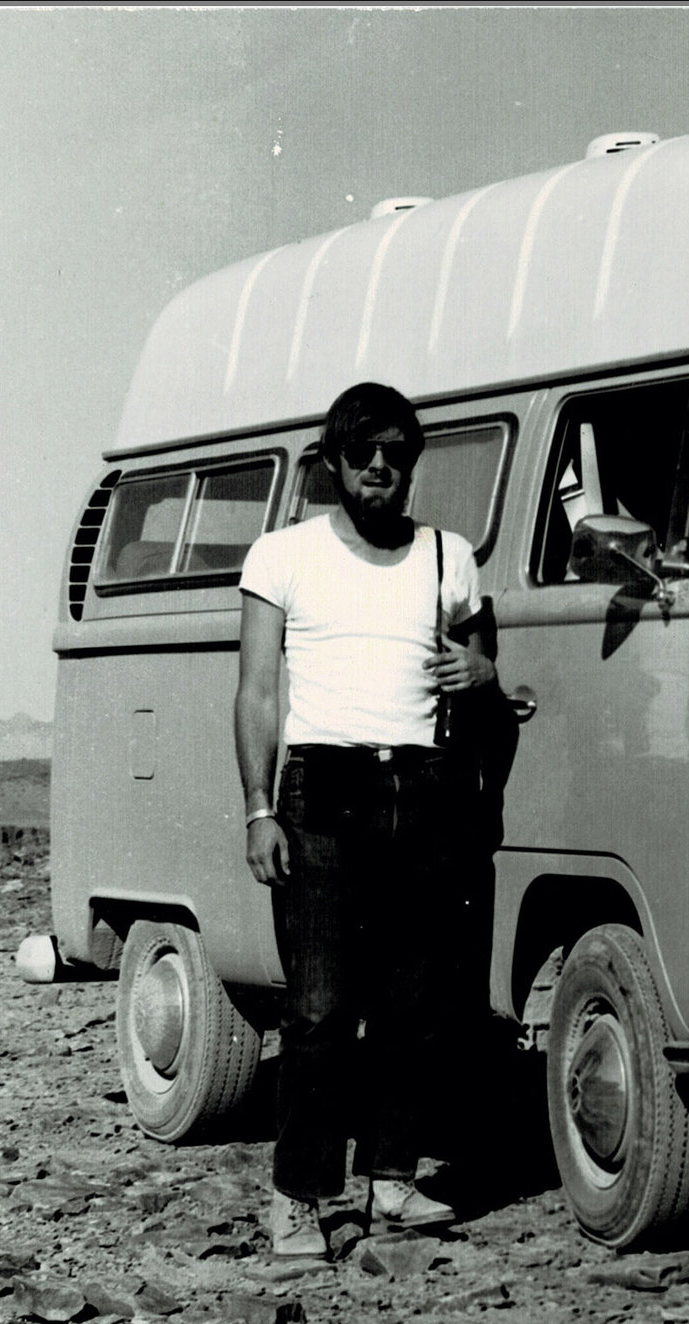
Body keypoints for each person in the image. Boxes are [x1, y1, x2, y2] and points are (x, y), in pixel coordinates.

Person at [234, 381, 497, 1258]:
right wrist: (259, 809)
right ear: (333, 462)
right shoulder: (283, 555)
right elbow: (257, 691)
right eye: (362, 452)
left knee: (411, 1004)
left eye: (396, 452)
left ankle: (392, 1180)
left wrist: (482, 673)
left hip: (422, 792)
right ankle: (299, 1200)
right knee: (317, 1008)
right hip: (320, 792)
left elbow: (483, 661)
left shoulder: (448, 556)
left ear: (413, 462)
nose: (380, 466)